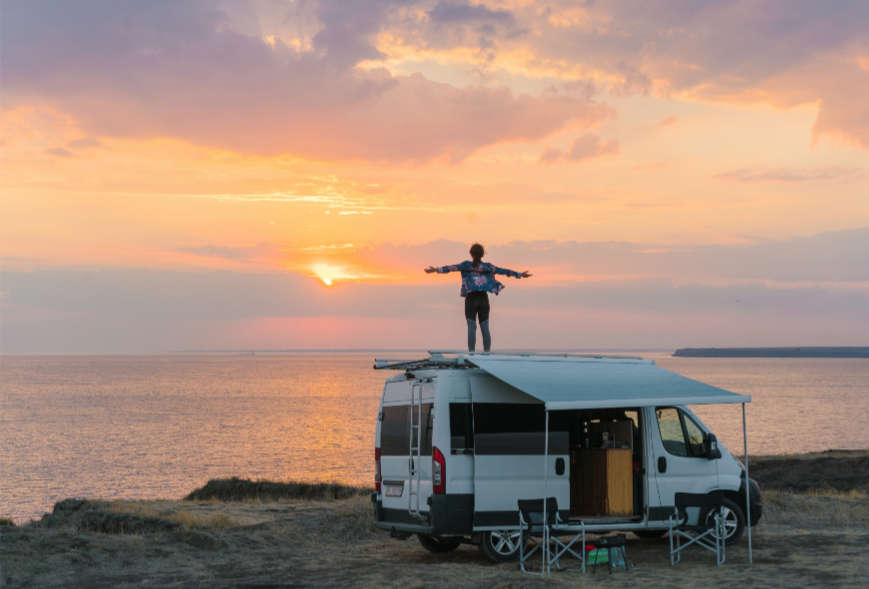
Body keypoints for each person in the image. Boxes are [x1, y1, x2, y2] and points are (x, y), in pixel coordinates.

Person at [425, 243, 531, 352]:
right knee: (485, 328)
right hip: (483, 299)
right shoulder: (488, 266)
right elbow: (503, 271)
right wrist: (520, 275)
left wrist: (436, 270)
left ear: (471, 254)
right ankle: (487, 356)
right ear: (482, 254)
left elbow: (451, 268)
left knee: (472, 327)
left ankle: (471, 356)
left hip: (471, 299)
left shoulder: (466, 265)